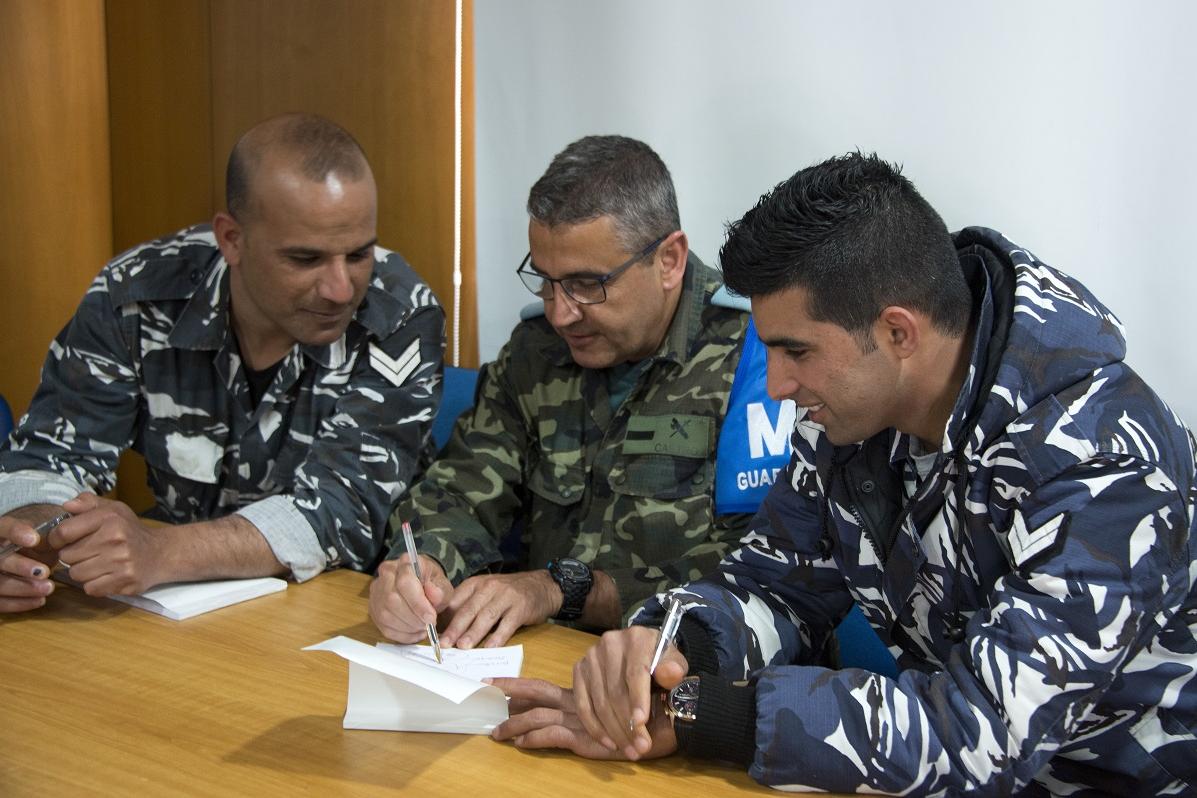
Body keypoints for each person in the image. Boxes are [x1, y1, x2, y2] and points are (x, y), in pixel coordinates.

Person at [488, 153, 1197, 795]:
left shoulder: (1104, 460)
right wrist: (669, 653)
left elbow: (978, 735)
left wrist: (708, 714)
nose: (776, 386)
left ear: (897, 332)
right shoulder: (849, 420)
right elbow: (772, 586)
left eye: (795, 352)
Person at [0, 113, 445, 614]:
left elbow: (342, 510)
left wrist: (161, 551)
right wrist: (35, 538)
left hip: (338, 606)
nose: (341, 289)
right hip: (170, 607)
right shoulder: (136, 295)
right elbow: (47, 455)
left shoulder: (398, 313)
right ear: (231, 239)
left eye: (359, 255)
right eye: (305, 259)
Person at [369, 135, 758, 650]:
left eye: (586, 284)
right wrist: (423, 568)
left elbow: (756, 569)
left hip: (685, 666)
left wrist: (561, 590)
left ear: (669, 260)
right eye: (545, 280)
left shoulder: (757, 356)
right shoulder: (537, 350)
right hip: (539, 657)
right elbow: (461, 488)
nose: (560, 313)